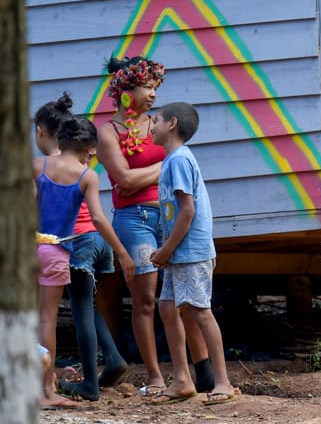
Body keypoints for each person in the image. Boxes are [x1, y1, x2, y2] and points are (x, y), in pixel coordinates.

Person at [96, 57, 213, 395]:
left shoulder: (158, 124)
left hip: (169, 217)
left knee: (184, 294)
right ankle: (156, 377)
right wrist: (165, 164)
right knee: (146, 299)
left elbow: (139, 176)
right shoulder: (107, 132)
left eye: (155, 88)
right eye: (147, 87)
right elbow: (124, 180)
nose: (152, 95)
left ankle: (200, 371)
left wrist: (148, 172)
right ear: (125, 91)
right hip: (134, 221)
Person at [34, 116, 135, 410]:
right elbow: (99, 219)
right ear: (90, 148)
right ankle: (47, 388)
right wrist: (123, 253)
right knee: (47, 320)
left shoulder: (37, 165)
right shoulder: (86, 176)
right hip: (56, 252)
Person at [147, 101, 237, 406]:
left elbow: (187, 210)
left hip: (191, 252)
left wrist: (167, 248)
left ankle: (223, 381)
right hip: (178, 252)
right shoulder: (172, 160)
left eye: (156, 120)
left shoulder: (179, 160)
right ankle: (183, 380)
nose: (152, 124)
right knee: (169, 307)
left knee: (199, 311)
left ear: (172, 124)